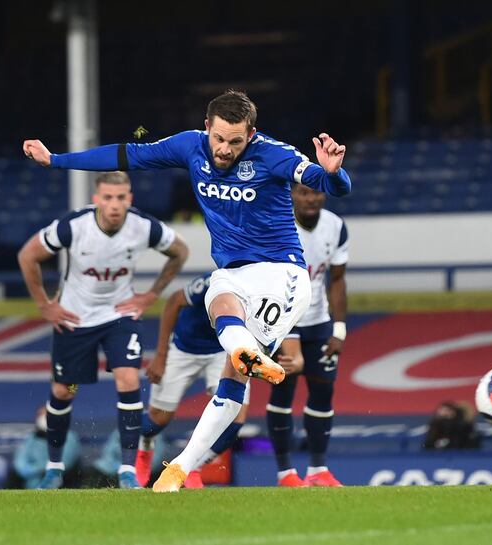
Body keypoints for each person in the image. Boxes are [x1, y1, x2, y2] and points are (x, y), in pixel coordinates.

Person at [23, 89, 352, 492]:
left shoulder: (274, 154)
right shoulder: (188, 146)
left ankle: (237, 357)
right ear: (206, 127)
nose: (225, 149)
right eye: (219, 138)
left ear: (252, 133)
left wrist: (335, 172)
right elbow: (126, 154)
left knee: (232, 368)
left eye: (236, 141)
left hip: (282, 275)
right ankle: (179, 468)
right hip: (235, 274)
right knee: (219, 308)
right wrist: (56, 160)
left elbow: (326, 184)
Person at [16, 172, 189, 489]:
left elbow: (180, 251)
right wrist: (44, 305)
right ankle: (54, 467)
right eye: (107, 198)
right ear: (96, 199)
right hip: (75, 318)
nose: (114, 205)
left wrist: (150, 294)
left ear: (130, 199)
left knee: (128, 379)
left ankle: (127, 470)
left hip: (118, 316)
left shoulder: (143, 226)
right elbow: (28, 255)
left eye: (121, 198)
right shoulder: (74, 226)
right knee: (63, 391)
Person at [136, 273, 304, 488]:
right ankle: (145, 444)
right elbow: (173, 301)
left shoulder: (269, 292)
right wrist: (161, 355)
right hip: (185, 348)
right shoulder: (215, 283)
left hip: (224, 351)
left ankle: (191, 467)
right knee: (158, 419)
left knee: (234, 422)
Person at [267, 184, 348, 487]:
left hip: (319, 321)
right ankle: (285, 472)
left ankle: (317, 471)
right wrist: (287, 337)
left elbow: (337, 280)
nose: (311, 198)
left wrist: (339, 329)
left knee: (324, 392)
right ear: (291, 194)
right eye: (304, 192)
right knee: (283, 390)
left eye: (316, 192)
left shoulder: (336, 227)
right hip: (283, 319)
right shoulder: (278, 223)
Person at [6, 407, 81, 489]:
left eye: (47, 415)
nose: (43, 418)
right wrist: (34, 470)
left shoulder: (68, 436)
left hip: (60, 479)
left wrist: (43, 469)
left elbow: (67, 462)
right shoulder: (31, 438)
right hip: (32, 481)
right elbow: (20, 463)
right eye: (40, 415)